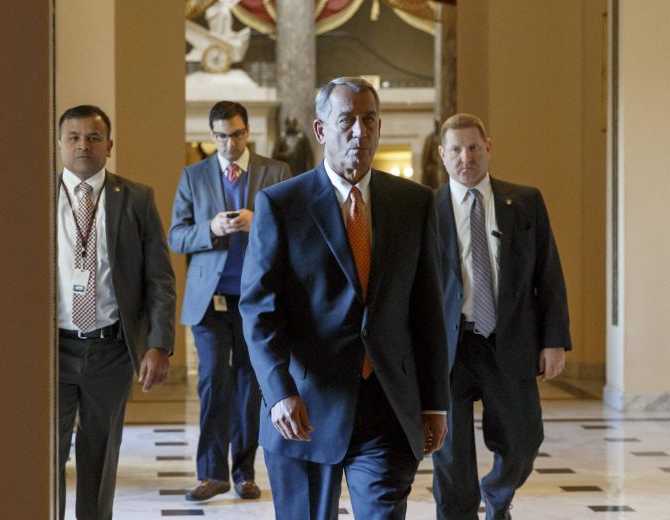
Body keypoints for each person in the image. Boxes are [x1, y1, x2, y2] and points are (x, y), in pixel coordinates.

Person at [239, 77, 450, 519]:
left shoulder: (413, 203)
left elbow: (427, 310)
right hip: (304, 408)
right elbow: (259, 311)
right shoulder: (281, 205)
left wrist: (434, 402)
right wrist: (279, 392)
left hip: (388, 404)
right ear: (321, 131)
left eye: (369, 120)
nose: (360, 132)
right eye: (347, 121)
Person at [432, 113, 571, 520]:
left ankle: (496, 495)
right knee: (450, 454)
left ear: (488, 148)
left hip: (508, 340)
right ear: (442, 155)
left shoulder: (525, 201)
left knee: (525, 439)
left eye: (474, 147)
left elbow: (548, 273)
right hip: (450, 346)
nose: (466, 158)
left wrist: (553, 339)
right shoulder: (427, 209)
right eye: (455, 150)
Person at [56, 105, 176, 519]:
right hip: (53, 350)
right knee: (47, 454)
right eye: (73, 137)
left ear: (109, 145)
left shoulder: (136, 199)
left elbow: (159, 278)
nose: (82, 145)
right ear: (60, 145)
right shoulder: (37, 198)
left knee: (100, 455)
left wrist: (158, 344)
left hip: (109, 349)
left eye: (93, 137)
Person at [169, 101, 291, 501]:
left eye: (236, 134)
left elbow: (294, 232)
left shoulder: (276, 173)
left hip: (256, 300)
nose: (229, 142)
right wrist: (210, 227)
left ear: (248, 131)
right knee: (211, 383)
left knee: (250, 386)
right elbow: (176, 236)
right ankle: (211, 473)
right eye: (221, 135)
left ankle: (244, 473)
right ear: (212, 135)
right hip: (210, 301)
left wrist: (262, 222)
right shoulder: (193, 175)